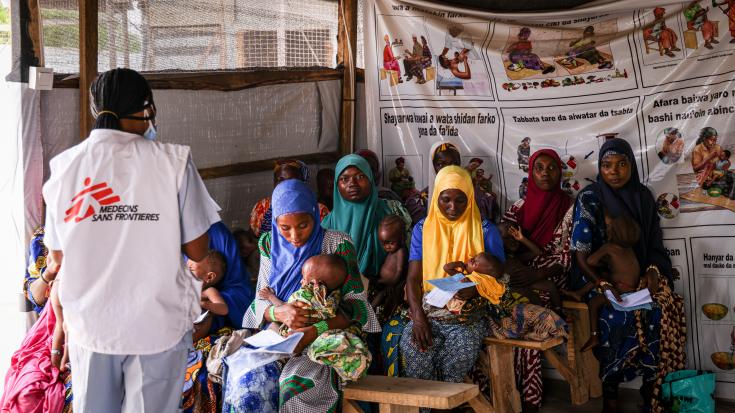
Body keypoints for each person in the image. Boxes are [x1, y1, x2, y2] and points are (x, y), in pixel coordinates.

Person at [41, 68, 221, 412]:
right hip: (156, 324)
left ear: (97, 109)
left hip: (92, 325)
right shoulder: (174, 162)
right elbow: (198, 251)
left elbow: (57, 258)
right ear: (146, 107)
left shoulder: (65, 168)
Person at [229, 179, 379, 412]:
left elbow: (356, 304)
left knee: (297, 382)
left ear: (315, 216)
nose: (294, 235)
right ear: (275, 223)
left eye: (303, 225)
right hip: (279, 334)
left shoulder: (337, 243)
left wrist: (314, 330)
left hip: (328, 335)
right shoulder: (269, 244)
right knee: (246, 376)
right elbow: (260, 298)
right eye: (284, 228)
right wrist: (279, 311)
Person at [571, 138, 686, 413]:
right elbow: (581, 253)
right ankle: (611, 390)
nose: (614, 171)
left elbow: (655, 245)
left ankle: (650, 386)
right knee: (615, 313)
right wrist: (603, 281)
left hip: (640, 277)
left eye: (622, 164)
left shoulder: (644, 198)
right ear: (600, 167)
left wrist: (653, 271)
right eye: (607, 165)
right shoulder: (590, 198)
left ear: (631, 166)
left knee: (661, 310)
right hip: (596, 276)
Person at [400, 166, 504, 385]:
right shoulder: (423, 229)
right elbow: (413, 278)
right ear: (436, 196)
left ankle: (445, 406)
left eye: (461, 200)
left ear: (470, 198)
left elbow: (500, 276)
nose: (452, 207)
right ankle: (425, 407)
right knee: (415, 349)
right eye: (445, 199)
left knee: (458, 357)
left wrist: (475, 288)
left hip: (468, 315)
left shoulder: (485, 230)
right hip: (429, 310)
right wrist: (418, 318)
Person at [502, 149, 575, 410]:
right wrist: (515, 272)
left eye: (551, 168)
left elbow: (566, 259)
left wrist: (536, 273)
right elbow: (501, 246)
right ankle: (503, 389)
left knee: (527, 314)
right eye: (539, 168)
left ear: (560, 172)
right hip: (517, 275)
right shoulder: (517, 208)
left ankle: (529, 396)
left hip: (551, 276)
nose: (545, 173)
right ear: (531, 173)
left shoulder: (569, 207)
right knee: (496, 309)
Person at [258, 254, 371, 382]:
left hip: (298, 342)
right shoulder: (335, 299)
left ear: (315, 284)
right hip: (323, 338)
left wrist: (271, 297)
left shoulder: (304, 297)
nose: (301, 282)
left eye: (303, 278)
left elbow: (287, 309)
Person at [2, 253, 71, 413]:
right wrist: (50, 271)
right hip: (48, 333)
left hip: (83, 331)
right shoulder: (41, 241)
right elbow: (33, 297)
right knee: (28, 391)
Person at [565, 215, 642, 352]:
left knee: (594, 302)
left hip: (621, 294)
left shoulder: (609, 248)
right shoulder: (630, 249)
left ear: (612, 233)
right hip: (634, 291)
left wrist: (603, 262)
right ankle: (578, 293)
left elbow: (590, 262)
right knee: (604, 276)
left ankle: (594, 336)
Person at [322, 154, 393, 280]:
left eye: (360, 177)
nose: (352, 184)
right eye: (344, 179)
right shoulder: (327, 225)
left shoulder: (387, 216)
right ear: (336, 185)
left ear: (370, 179)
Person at [249, 159, 329, 238]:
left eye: (291, 180)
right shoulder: (262, 207)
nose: (285, 184)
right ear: (274, 182)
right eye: (280, 180)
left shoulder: (319, 210)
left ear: (302, 182)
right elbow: (255, 237)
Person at [373, 215, 409, 377]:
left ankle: (372, 309)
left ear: (402, 238)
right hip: (384, 282)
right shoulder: (392, 249)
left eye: (390, 242)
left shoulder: (401, 250)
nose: (387, 247)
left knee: (380, 297)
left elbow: (400, 271)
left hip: (392, 286)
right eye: (383, 243)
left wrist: (391, 284)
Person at [189, 250, 229, 317]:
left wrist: (203, 304)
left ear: (209, 277)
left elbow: (224, 309)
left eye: (191, 269)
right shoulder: (182, 286)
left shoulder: (208, 291)